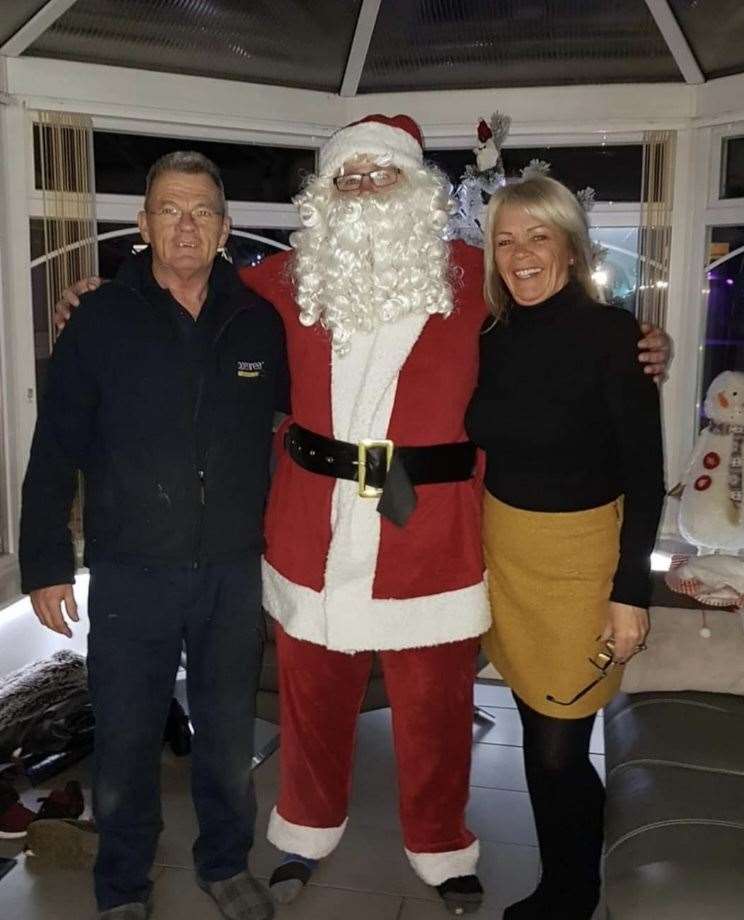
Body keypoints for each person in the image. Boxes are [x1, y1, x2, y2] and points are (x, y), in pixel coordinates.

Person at [54, 116, 670, 917]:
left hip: (433, 526)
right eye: (351, 177)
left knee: (438, 705)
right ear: (326, 195)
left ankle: (441, 841)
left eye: (384, 176)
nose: (367, 190)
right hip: (315, 520)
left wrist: (639, 341)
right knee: (313, 695)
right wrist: (99, 292)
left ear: (416, 188)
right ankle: (306, 829)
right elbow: (189, 288)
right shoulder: (287, 279)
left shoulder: (475, 276)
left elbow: (559, 324)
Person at [20, 151, 286, 920]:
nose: (186, 225)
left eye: (202, 210)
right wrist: (45, 562)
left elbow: (319, 414)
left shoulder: (257, 324)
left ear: (225, 228)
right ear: (142, 225)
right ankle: (122, 884)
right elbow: (54, 449)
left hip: (230, 570)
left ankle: (226, 862)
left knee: (229, 733)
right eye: (169, 209)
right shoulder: (99, 320)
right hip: (131, 569)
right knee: (128, 738)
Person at [465, 174, 665, 920]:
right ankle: (580, 870)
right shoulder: (491, 332)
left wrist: (631, 591)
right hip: (506, 554)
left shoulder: (616, 337)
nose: (520, 255)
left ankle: (572, 892)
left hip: (582, 563)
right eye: (505, 239)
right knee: (541, 729)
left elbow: (647, 476)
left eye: (537, 236)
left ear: (572, 246)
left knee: (556, 748)